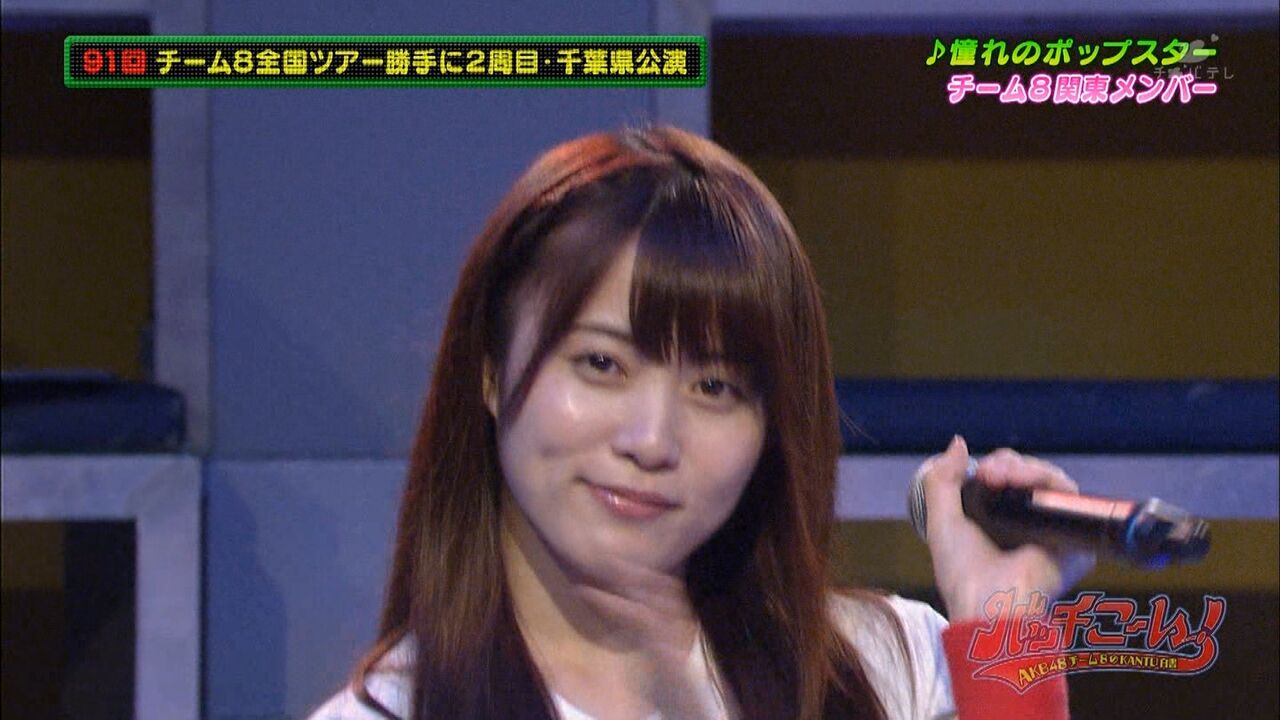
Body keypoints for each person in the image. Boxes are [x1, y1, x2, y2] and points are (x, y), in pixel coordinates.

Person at [309, 125, 1094, 720]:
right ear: (490, 368)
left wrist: (1004, 620)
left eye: (715, 387)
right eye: (602, 364)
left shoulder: (883, 670)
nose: (651, 441)